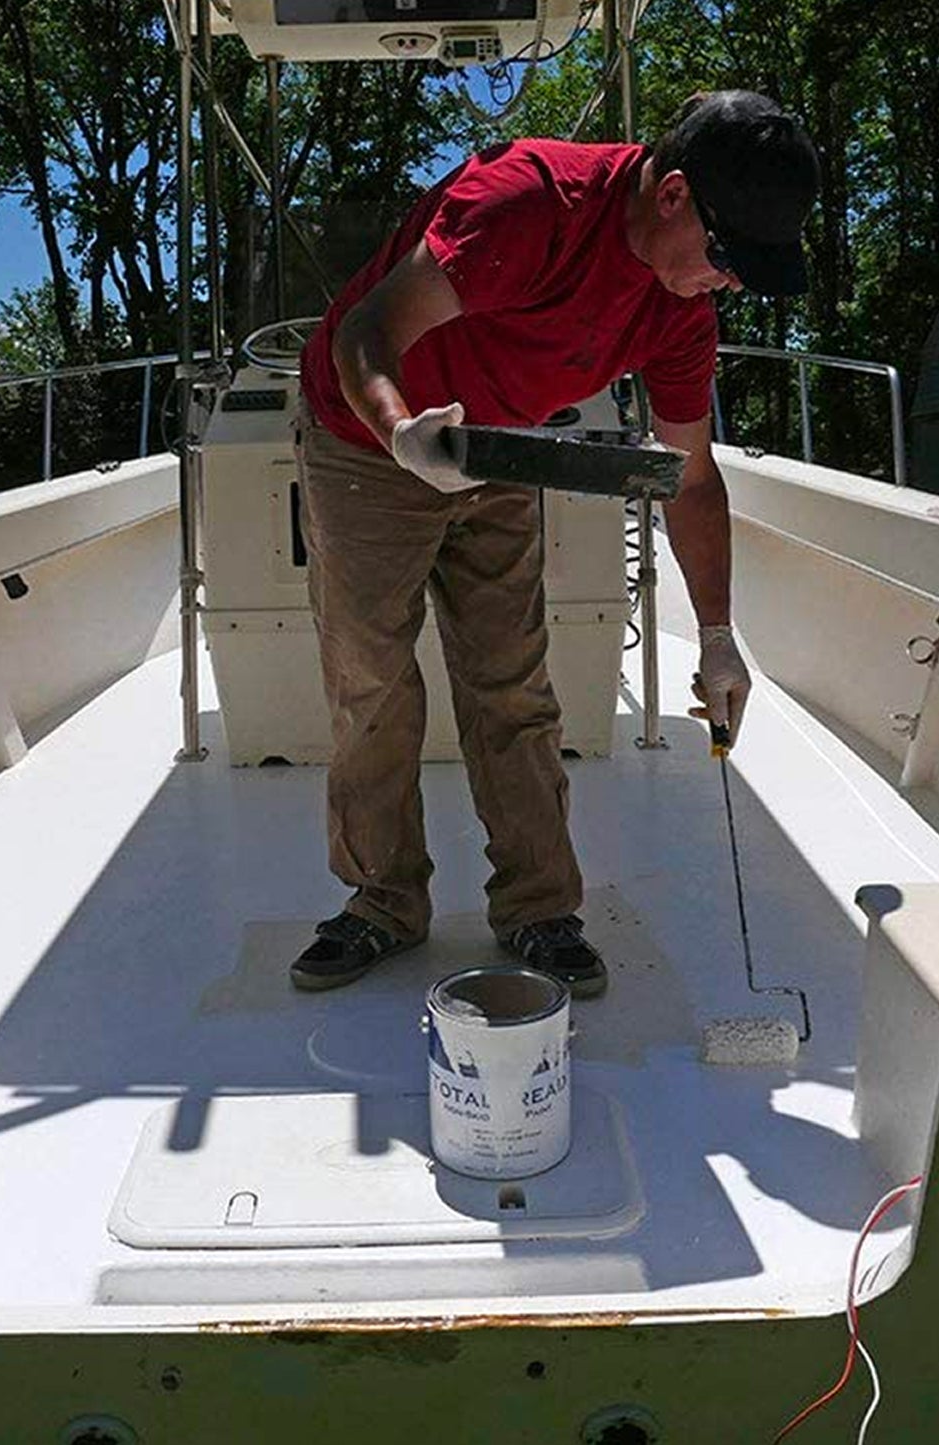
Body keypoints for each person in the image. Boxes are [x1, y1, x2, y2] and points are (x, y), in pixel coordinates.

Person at [289, 89, 820, 998]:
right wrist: (404, 435)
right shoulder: (527, 202)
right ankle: (382, 902)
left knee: (511, 680)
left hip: (498, 445)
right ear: (672, 197)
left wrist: (721, 637)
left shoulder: (680, 309)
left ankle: (537, 909)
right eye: (727, 258)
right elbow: (369, 330)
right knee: (370, 674)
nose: (727, 283)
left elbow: (688, 479)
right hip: (368, 439)